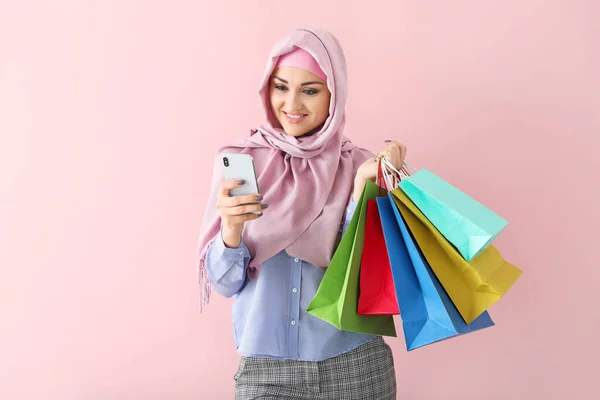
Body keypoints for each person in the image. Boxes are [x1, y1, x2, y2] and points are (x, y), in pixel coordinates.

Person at [197, 27, 407, 400]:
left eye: (309, 90)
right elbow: (226, 284)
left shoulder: (359, 165)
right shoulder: (243, 162)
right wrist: (230, 228)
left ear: (334, 95)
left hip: (354, 363)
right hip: (266, 374)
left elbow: (359, 276)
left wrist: (362, 189)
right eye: (280, 87)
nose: (291, 103)